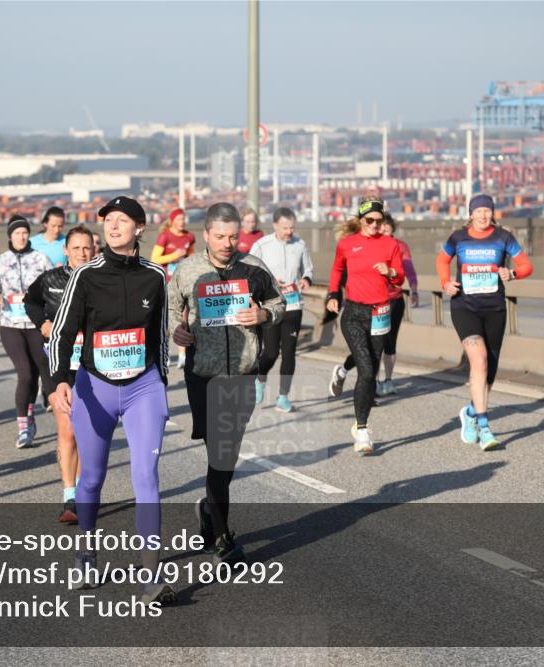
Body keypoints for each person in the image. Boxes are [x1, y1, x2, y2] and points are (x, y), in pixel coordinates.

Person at [48, 196, 174, 604]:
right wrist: (60, 380)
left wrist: (162, 381)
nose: (113, 226)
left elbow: (159, 332)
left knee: (146, 476)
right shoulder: (85, 275)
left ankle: (152, 574)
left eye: (122, 220)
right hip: (94, 387)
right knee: (92, 478)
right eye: (108, 220)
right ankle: (87, 557)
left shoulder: (155, 276)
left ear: (140, 227)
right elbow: (62, 332)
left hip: (143, 386)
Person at [169, 202, 285, 563]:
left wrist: (263, 313)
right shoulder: (187, 271)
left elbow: (279, 303)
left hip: (242, 375)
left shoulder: (254, 268)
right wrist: (178, 330)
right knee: (218, 452)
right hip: (203, 374)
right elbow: (172, 308)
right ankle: (222, 536)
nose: (227, 243)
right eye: (219, 236)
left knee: (226, 455)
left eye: (233, 236)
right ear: (205, 234)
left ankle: (209, 509)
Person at [437, 194, 532, 450]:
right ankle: (484, 425)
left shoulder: (503, 238)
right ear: (470, 214)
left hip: (495, 309)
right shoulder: (458, 237)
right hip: (464, 306)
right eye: (478, 211)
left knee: (488, 372)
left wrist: (512, 273)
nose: (482, 215)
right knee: (478, 360)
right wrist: (445, 282)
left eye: (487, 211)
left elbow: (525, 265)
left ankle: (469, 413)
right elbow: (442, 259)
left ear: (492, 213)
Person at [25, 226, 94, 523]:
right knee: (67, 430)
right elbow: (30, 301)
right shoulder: (51, 279)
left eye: (87, 248)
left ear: (94, 250)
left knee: (86, 432)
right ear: (66, 250)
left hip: (92, 364)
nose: (81, 253)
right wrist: (41, 323)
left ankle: (83, 490)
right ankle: (70, 497)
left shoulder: (101, 279)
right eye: (76, 248)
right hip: (57, 363)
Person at [326, 197, 405, 455]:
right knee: (368, 370)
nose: (375, 225)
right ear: (361, 221)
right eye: (369, 220)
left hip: (381, 312)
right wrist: (333, 295)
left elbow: (400, 277)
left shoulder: (391, 244)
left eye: (379, 221)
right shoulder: (347, 245)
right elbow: (337, 270)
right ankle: (362, 429)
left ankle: (359, 417)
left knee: (369, 369)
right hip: (354, 313)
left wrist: (390, 272)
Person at [329, 213, 419, 398]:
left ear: (392, 228)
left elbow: (407, 271)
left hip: (392, 302)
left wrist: (414, 288)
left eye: (385, 226)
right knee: (366, 351)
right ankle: (363, 380)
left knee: (388, 344)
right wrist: (337, 294)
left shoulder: (398, 246)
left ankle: (386, 381)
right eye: (377, 224)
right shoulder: (360, 244)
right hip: (366, 304)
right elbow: (342, 270)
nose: (380, 228)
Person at [0, 215, 53, 448]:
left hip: (36, 325)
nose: (22, 236)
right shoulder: (1, 260)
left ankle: (30, 408)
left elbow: (53, 285)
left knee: (39, 369)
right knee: (25, 373)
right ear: (10, 236)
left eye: (25, 232)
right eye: (17, 233)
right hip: (10, 325)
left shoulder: (40, 259)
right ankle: (23, 425)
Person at [249, 206, 314, 412]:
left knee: (289, 353)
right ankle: (260, 378)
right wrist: (268, 280)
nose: (289, 232)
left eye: (292, 227)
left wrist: (305, 279)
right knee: (270, 352)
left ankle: (283, 397)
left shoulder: (300, 244)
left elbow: (309, 268)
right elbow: (248, 270)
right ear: (275, 225)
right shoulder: (262, 245)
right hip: (270, 306)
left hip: (294, 305)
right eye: (285, 228)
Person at [151, 208, 195, 367]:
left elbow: (191, 257)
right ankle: (166, 352)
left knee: (183, 317)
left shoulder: (189, 236)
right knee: (166, 317)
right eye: (178, 219)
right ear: (172, 221)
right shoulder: (165, 236)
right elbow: (154, 259)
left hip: (181, 282)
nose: (181, 222)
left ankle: (182, 354)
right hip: (166, 282)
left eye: (183, 219)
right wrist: (174, 256)